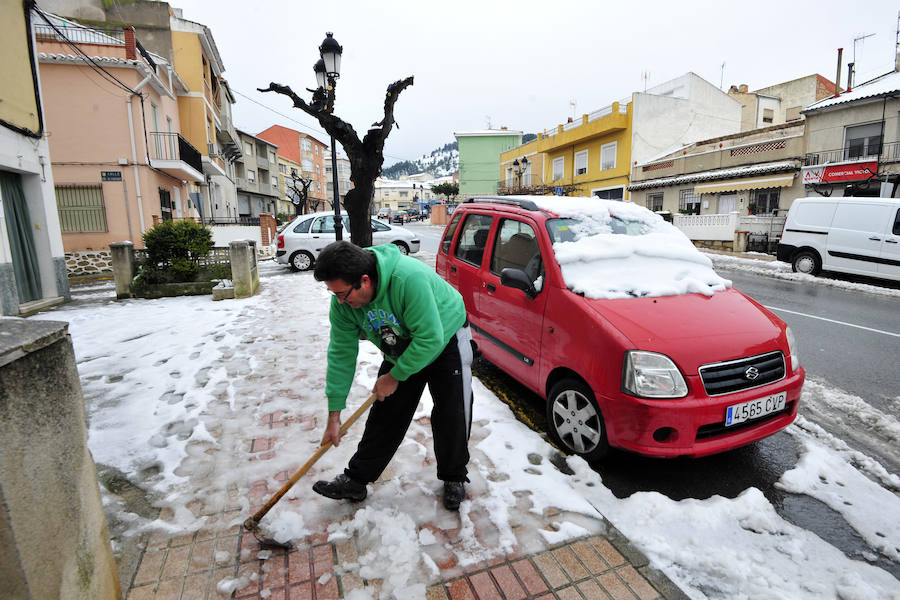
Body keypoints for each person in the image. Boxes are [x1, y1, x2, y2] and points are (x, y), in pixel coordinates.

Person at [311, 240, 474, 510]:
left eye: (342, 293)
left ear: (364, 280)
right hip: (403, 345)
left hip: (445, 336)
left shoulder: (409, 278)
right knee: (386, 413)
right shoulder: (342, 304)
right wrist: (334, 414)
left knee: (451, 411)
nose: (340, 301)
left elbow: (430, 339)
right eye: (334, 294)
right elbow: (341, 355)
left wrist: (395, 375)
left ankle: (454, 477)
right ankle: (356, 481)